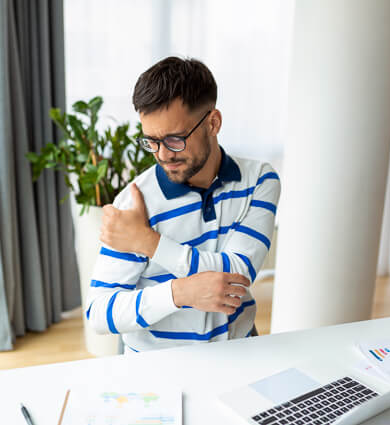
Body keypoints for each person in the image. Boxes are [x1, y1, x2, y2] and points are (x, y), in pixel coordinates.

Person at [86, 57, 281, 352]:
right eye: (151, 141)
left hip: (240, 350)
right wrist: (178, 293)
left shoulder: (258, 180)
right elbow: (99, 313)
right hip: (159, 366)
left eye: (175, 139)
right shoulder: (134, 203)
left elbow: (238, 274)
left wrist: (149, 243)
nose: (163, 155)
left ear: (213, 123)